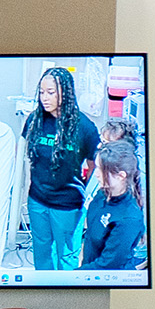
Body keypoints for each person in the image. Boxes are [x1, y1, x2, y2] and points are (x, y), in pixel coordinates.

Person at [22, 66, 99, 270]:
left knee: (66, 257)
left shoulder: (86, 127)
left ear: (64, 92)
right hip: (37, 200)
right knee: (42, 252)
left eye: (50, 93)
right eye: (41, 92)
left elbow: (92, 166)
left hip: (67, 204)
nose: (44, 98)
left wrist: (76, 186)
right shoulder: (34, 120)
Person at [80, 141, 146, 270]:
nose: (96, 174)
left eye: (101, 169)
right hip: (89, 272)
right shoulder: (101, 195)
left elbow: (108, 265)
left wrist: (73, 278)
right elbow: (90, 240)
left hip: (108, 282)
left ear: (121, 176)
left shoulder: (129, 218)